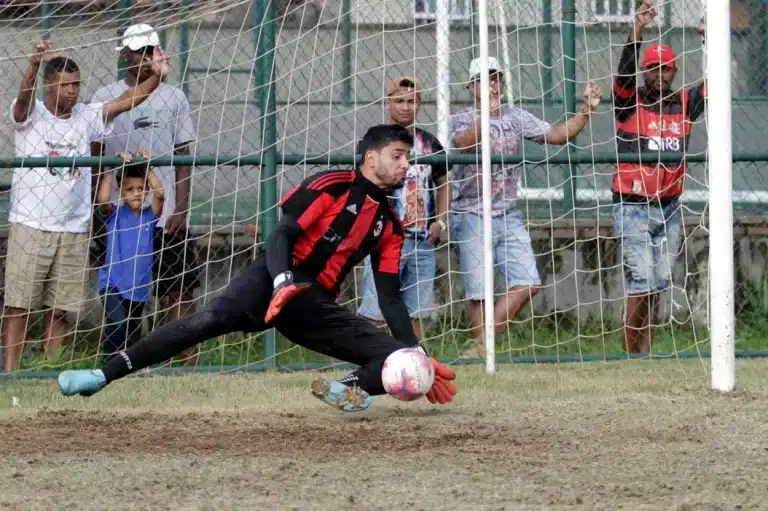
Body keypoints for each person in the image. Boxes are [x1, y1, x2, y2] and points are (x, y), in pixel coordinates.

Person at [57, 125, 458, 412]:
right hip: (269, 278)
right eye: (398, 156)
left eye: (408, 157)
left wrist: (418, 355)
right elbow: (281, 234)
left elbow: (389, 296)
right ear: (372, 159)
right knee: (207, 320)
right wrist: (283, 280)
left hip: (312, 304)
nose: (407, 166)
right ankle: (102, 374)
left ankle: (343, 388)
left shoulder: (388, 224)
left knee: (394, 360)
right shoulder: (332, 184)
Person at [2, 40, 167, 372]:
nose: (72, 91)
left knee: (60, 309)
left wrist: (157, 77)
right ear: (49, 85)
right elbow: (21, 103)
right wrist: (33, 64)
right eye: (65, 85)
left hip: (74, 228)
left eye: (76, 84)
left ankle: (51, 367)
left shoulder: (86, 116)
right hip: (30, 225)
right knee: (18, 305)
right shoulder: (31, 115)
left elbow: (126, 101)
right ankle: (9, 373)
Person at [449, 56, 602, 358]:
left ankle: (481, 346)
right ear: (471, 86)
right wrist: (486, 117)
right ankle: (482, 355)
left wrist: (585, 111)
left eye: (496, 79)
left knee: (528, 282)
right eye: (484, 80)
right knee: (479, 292)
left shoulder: (516, 116)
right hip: (470, 212)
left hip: (507, 211)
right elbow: (464, 143)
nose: (492, 85)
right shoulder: (461, 118)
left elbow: (558, 135)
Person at [91, 23, 200, 365]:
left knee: (178, 288)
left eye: (145, 52)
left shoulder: (175, 97)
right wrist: (100, 210)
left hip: (161, 214)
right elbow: (96, 159)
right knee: (123, 293)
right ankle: (125, 359)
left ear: (154, 52)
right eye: (133, 53)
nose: (138, 58)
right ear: (124, 55)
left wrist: (180, 208)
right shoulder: (106, 96)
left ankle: (188, 357)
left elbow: (183, 156)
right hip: (122, 220)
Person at [612, 0, 706, 354]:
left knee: (660, 283)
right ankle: (629, 355)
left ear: (674, 72)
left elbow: (714, 86)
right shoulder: (628, 103)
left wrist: (708, 40)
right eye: (653, 68)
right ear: (645, 71)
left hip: (669, 208)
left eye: (667, 69)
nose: (660, 75)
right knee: (640, 282)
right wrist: (638, 28)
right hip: (633, 206)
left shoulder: (684, 103)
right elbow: (621, 74)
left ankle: (647, 353)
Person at [358, 76, 450, 339]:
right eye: (399, 100)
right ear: (388, 103)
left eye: (412, 101)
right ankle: (364, 360)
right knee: (375, 310)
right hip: (385, 239)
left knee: (415, 312)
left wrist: (440, 221)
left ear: (420, 104)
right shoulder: (375, 140)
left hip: (422, 240)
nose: (406, 107)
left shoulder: (429, 143)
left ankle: (414, 363)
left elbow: (445, 183)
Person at [96, 149, 164, 360]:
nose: (136, 193)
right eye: (130, 189)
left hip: (139, 286)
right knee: (117, 323)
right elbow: (102, 201)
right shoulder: (114, 214)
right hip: (113, 283)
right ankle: (108, 363)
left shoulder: (149, 216)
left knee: (132, 334)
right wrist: (112, 168)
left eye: (141, 188)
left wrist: (147, 168)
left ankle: (127, 368)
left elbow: (160, 194)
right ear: (121, 190)